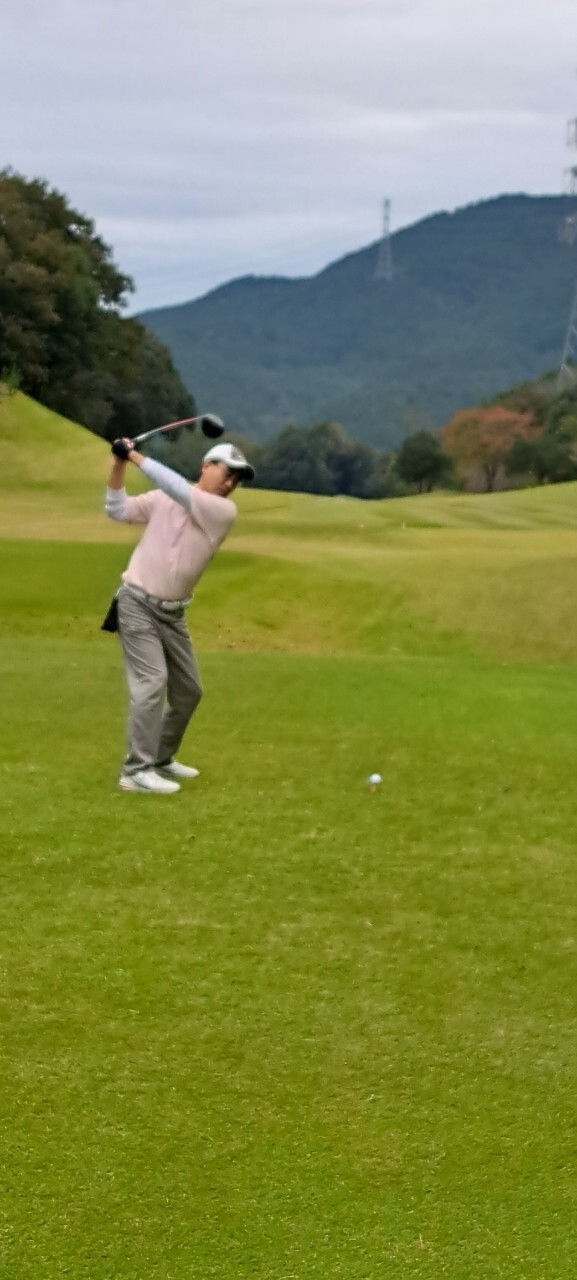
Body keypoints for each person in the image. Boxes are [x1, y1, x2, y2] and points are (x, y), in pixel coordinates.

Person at [104, 438, 255, 794]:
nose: (230, 483)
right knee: (152, 682)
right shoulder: (164, 499)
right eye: (227, 473)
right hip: (136, 603)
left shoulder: (222, 511)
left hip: (173, 615)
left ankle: (159, 757)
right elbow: (117, 509)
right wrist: (119, 464)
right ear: (206, 466)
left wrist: (133, 454)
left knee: (188, 691)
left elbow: (175, 486)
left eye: (237, 479)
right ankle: (135, 771)